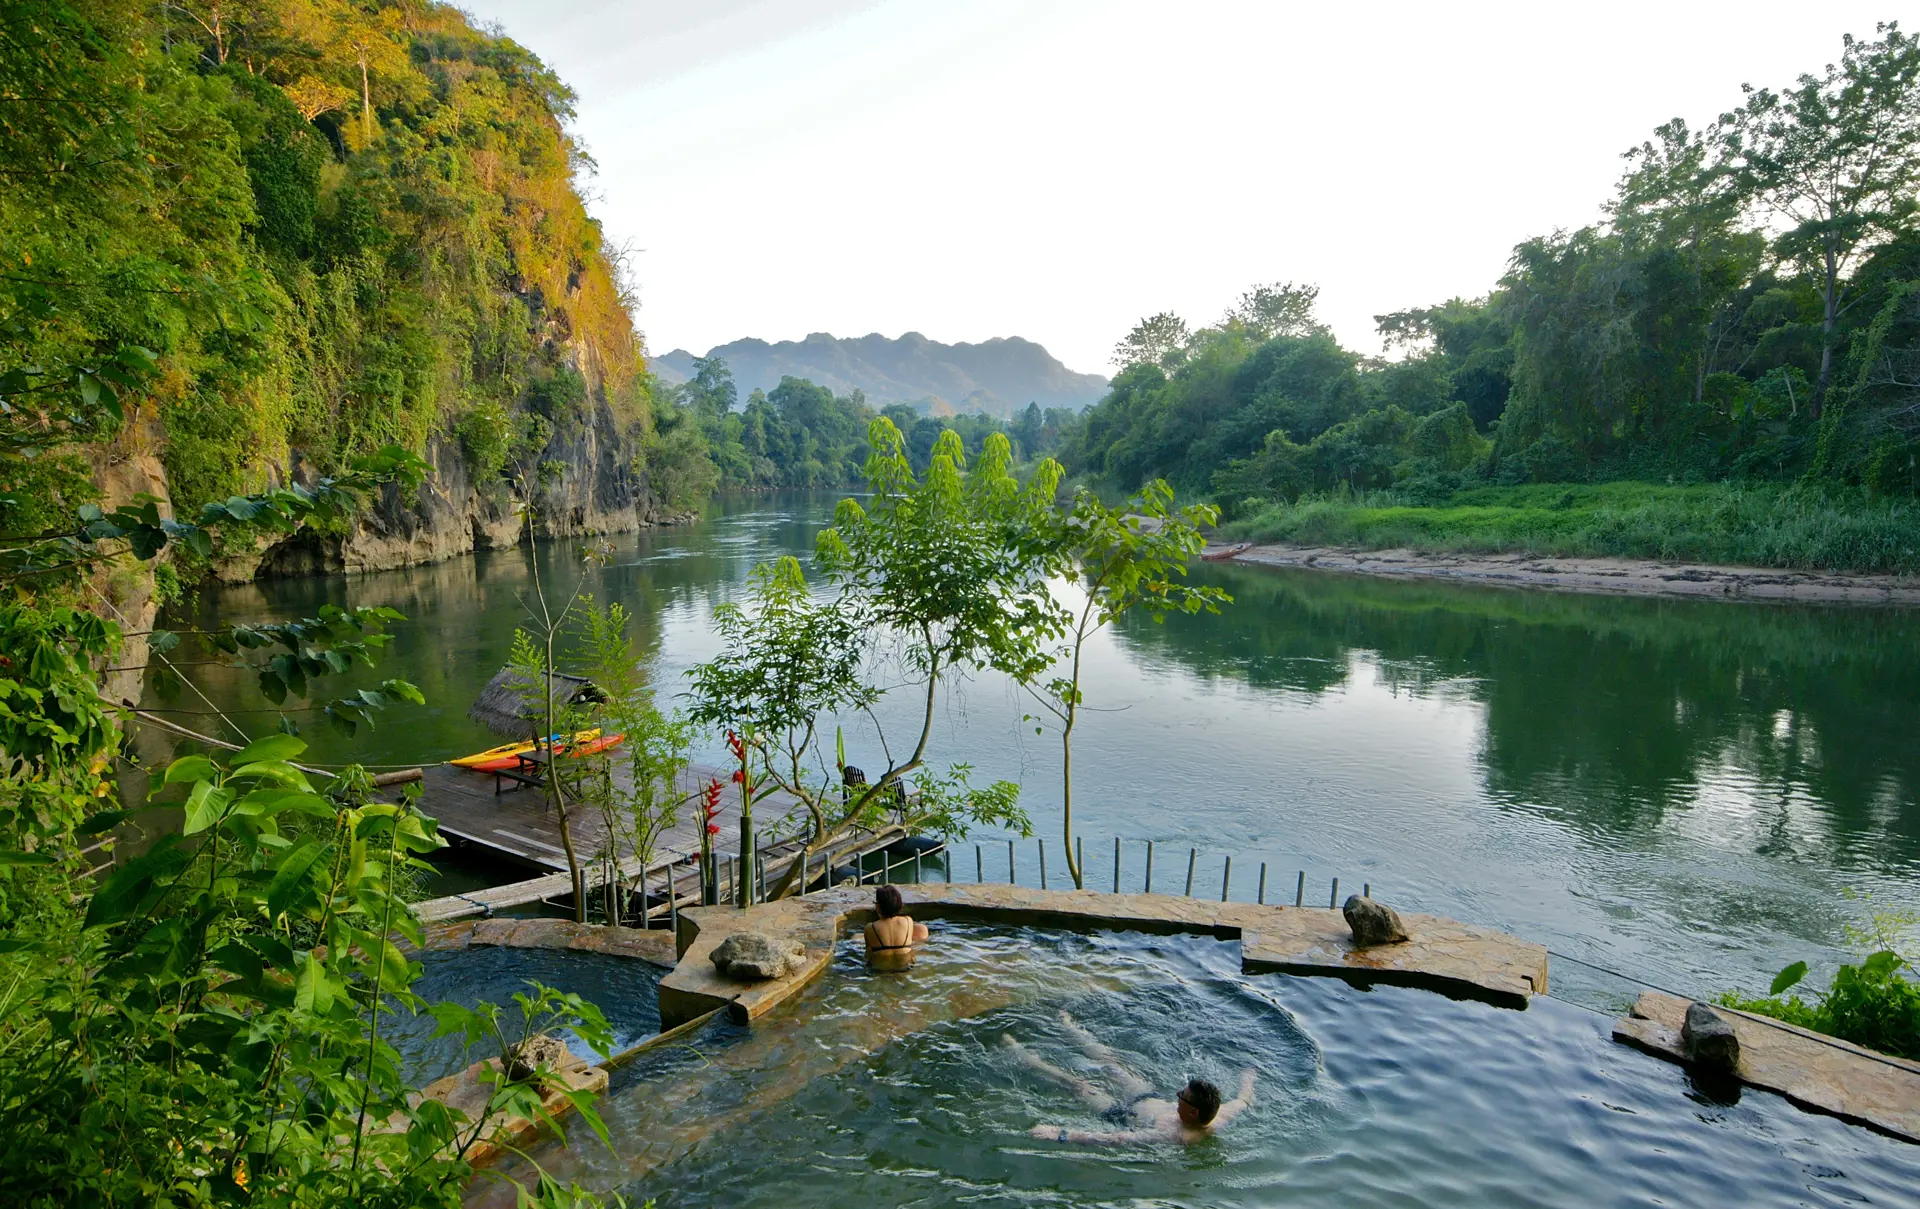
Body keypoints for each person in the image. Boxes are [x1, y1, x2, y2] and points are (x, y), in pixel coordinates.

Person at [1008, 1010, 1255, 1145]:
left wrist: (1062, 1134)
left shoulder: (1175, 1135)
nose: (1177, 1096)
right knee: (1112, 1063)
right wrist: (1249, 1076)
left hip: (1120, 1115)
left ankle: (1022, 1054)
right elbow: (1244, 1099)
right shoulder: (1220, 1113)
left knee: (1078, 1084)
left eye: (1182, 1096)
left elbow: (1114, 1138)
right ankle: (1069, 1028)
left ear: (1193, 1112)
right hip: (1146, 1096)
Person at [863, 884, 927, 970]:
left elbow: (868, 953)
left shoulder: (870, 927)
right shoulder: (908, 921)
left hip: (880, 969)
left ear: (878, 906)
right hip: (905, 967)